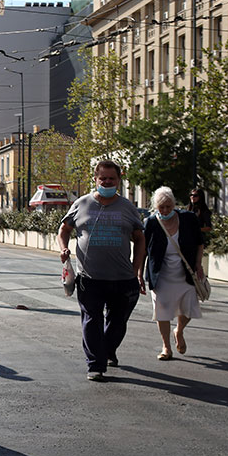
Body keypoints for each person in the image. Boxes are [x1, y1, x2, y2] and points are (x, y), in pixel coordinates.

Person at [57, 160, 146, 382]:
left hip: (123, 279)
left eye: (111, 179)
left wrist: (137, 270)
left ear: (118, 181)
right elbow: (64, 229)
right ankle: (95, 364)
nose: (107, 182)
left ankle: (107, 349)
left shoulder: (127, 207)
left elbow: (140, 238)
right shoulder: (82, 204)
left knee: (118, 323)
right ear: (95, 179)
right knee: (91, 319)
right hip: (90, 278)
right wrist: (64, 248)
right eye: (103, 178)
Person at [144, 187, 205, 360]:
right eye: (161, 207)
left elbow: (200, 243)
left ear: (174, 204)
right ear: (156, 207)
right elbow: (142, 250)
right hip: (160, 274)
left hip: (184, 272)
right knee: (161, 310)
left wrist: (198, 264)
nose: (165, 210)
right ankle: (166, 347)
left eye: (168, 206)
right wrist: (139, 273)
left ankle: (179, 330)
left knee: (189, 308)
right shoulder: (151, 222)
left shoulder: (188, 218)